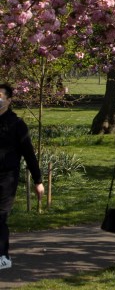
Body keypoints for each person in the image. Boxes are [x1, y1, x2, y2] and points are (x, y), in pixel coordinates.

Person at [0, 84, 43, 271]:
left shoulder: (17, 124)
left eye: (0, 96)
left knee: (0, 216)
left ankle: (2, 255)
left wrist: (38, 181)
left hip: (7, 177)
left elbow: (29, 154)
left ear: (9, 100)